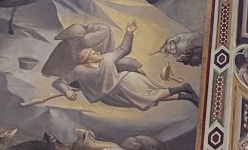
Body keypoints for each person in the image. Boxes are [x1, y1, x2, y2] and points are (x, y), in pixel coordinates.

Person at [51, 20, 197, 110]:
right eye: (94, 53)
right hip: (112, 96)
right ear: (87, 60)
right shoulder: (79, 70)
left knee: (149, 96)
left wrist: (129, 33)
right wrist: (66, 90)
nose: (98, 52)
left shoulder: (107, 59)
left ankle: (183, 88)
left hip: (125, 83)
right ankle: (187, 97)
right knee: (149, 99)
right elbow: (59, 82)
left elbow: (123, 49)